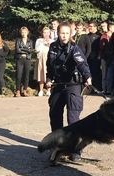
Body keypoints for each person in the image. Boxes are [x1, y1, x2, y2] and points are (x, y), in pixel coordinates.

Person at [46, 22, 92, 161]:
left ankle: (75, 150)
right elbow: (50, 65)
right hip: (59, 85)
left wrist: (88, 77)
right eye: (62, 33)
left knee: (73, 119)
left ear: (70, 34)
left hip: (73, 85)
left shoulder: (74, 48)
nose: (64, 36)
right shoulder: (53, 47)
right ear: (58, 34)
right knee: (54, 115)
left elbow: (82, 64)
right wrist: (48, 79)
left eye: (67, 33)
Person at [14, 26, 33, 97]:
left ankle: (25, 90)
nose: (24, 33)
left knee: (26, 75)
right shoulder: (18, 40)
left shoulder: (30, 41)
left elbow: (30, 50)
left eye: (25, 32)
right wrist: (26, 50)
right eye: (22, 32)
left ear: (27, 32)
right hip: (19, 59)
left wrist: (22, 49)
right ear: (20, 33)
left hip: (27, 59)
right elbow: (17, 50)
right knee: (19, 75)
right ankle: (18, 90)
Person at [34, 26, 52, 96]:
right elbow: (36, 50)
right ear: (42, 33)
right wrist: (43, 43)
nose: (46, 34)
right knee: (41, 74)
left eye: (47, 32)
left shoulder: (52, 41)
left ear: (49, 33)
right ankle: (41, 90)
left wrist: (48, 44)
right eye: (45, 32)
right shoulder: (39, 40)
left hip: (49, 60)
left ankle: (48, 90)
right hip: (41, 59)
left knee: (49, 74)